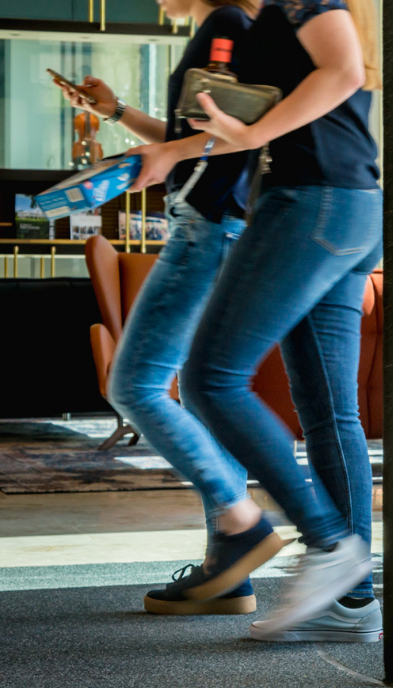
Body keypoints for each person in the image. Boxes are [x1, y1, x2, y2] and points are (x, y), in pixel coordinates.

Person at [126, 0, 382, 641]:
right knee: (327, 408)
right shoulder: (270, 15)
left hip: (312, 205)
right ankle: (351, 604)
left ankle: (328, 547)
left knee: (212, 378)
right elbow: (252, 120)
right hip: (344, 206)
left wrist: (255, 136)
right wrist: (181, 147)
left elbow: (343, 71)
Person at [57, 0, 275, 617]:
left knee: (134, 384)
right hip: (217, 226)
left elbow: (232, 134)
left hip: (206, 228)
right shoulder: (227, 27)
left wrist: (166, 158)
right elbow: (196, 138)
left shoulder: (227, 24)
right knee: (204, 398)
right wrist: (118, 113)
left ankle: (244, 524)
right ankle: (226, 569)